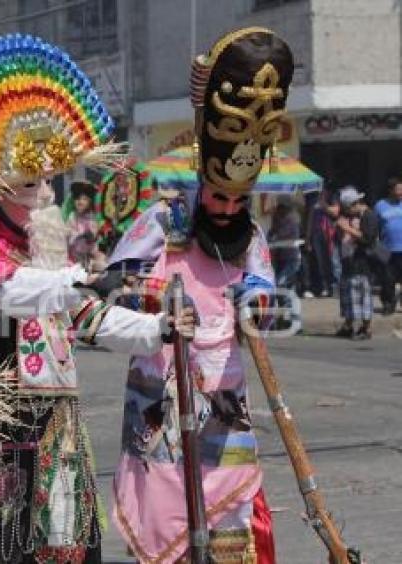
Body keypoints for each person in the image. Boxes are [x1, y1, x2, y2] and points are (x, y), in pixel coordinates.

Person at [0, 33, 196, 564]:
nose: (44, 196)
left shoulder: (38, 249)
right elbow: (11, 294)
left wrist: (157, 330)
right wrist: (79, 277)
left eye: (49, 183)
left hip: (55, 431)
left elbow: (88, 318)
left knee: (65, 545)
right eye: (30, 184)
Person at [98, 28, 293, 563]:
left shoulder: (250, 235)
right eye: (219, 195)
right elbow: (114, 288)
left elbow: (264, 288)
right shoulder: (162, 218)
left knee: (230, 521)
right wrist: (160, 298)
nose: (228, 208)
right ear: (200, 180)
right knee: (170, 517)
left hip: (226, 402)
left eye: (238, 198)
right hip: (162, 391)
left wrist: (256, 305)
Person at [336, 186, 379, 339]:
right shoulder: (352, 217)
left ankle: (366, 328)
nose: (346, 212)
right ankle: (348, 325)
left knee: (361, 296)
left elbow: (368, 239)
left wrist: (347, 228)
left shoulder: (369, 216)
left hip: (362, 264)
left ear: (354, 204)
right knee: (348, 296)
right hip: (349, 262)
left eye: (347, 208)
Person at [375, 176, 402, 314]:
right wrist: (377, 246)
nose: (401, 192)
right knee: (387, 279)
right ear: (391, 190)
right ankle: (388, 304)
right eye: (398, 189)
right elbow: (375, 228)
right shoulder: (380, 205)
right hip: (387, 248)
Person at [267, 196, 302, 291]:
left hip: (292, 257)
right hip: (280, 256)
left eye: (282, 207)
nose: (280, 209)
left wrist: (274, 236)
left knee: (281, 280)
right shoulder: (278, 218)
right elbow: (272, 232)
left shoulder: (292, 218)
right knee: (281, 281)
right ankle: (284, 301)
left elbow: (282, 234)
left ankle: (288, 300)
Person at [63, 180, 101, 267]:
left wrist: (90, 236)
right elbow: (67, 234)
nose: (80, 202)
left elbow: (94, 237)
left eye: (84, 199)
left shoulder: (93, 217)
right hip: (72, 258)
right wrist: (75, 235)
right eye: (78, 199)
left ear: (90, 202)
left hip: (89, 258)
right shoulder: (72, 216)